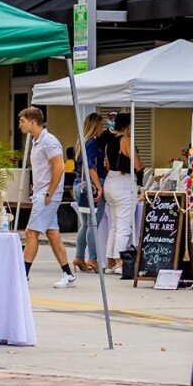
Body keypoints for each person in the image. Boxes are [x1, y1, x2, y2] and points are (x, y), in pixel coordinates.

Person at [17, 106, 75, 289]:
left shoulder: (49, 141)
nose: (20, 125)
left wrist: (49, 193)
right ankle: (68, 274)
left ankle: (23, 275)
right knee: (52, 233)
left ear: (32, 122)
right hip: (42, 194)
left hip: (47, 195)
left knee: (30, 232)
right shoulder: (36, 141)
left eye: (22, 121)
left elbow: (59, 167)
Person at [72, 112, 108, 274]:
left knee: (86, 223)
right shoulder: (92, 142)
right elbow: (91, 167)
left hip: (79, 185)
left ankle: (79, 256)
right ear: (95, 126)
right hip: (91, 187)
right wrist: (99, 187)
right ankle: (92, 258)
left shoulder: (81, 141)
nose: (103, 129)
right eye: (101, 125)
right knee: (93, 224)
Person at [103, 112, 138, 273]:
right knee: (124, 225)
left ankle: (110, 261)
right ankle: (120, 262)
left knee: (114, 225)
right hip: (123, 183)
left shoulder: (109, 143)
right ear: (127, 126)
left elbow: (107, 164)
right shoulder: (127, 140)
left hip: (110, 181)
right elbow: (137, 164)